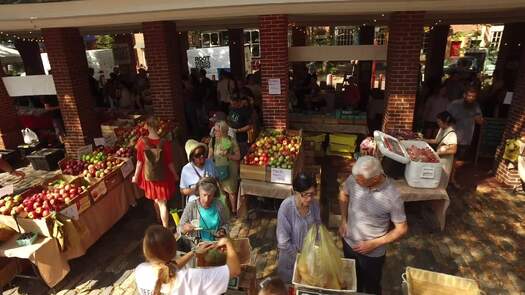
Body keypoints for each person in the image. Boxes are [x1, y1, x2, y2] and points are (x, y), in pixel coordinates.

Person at [339, 156, 408, 295]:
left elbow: (402, 229)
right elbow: (343, 194)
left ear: (375, 178)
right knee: (351, 281)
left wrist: (374, 243)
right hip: (349, 243)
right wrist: (343, 220)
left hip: (372, 254)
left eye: (360, 181)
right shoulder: (355, 178)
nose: (355, 182)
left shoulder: (392, 196)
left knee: (371, 286)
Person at [135, 225, 241, 295]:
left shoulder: (140, 271)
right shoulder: (190, 278)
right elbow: (235, 270)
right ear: (174, 249)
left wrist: (194, 251)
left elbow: (170, 268)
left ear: (146, 252)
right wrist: (227, 243)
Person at [132, 117, 180, 228]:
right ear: (158, 126)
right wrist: (175, 175)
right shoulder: (165, 143)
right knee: (163, 203)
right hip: (164, 176)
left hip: (150, 176)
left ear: (147, 126)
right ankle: (165, 227)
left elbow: (139, 162)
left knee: (156, 199)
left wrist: (135, 176)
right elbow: (169, 163)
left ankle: (160, 220)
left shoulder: (141, 142)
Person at [276, 173, 321, 283]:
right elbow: (283, 242)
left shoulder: (314, 205)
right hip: (289, 261)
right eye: (306, 194)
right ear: (295, 192)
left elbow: (318, 227)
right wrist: (299, 257)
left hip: (309, 258)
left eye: (313, 194)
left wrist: (318, 249)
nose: (310, 198)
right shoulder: (286, 207)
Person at [179, 177, 230, 242]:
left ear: (214, 194)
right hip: (197, 245)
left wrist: (223, 230)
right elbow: (179, 228)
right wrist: (185, 228)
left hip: (216, 244)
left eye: (210, 195)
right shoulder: (191, 206)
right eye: (204, 195)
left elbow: (227, 223)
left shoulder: (219, 205)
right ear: (198, 193)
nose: (206, 199)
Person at [208, 121, 240, 215]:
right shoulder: (213, 141)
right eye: (214, 130)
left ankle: (234, 211)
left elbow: (238, 156)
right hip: (217, 169)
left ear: (223, 131)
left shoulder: (230, 140)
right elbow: (210, 156)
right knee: (221, 191)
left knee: (231, 191)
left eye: (217, 131)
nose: (215, 133)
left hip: (230, 169)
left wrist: (228, 155)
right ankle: (224, 211)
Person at [446, 85, 484, 163]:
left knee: (459, 161)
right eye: (469, 96)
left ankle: (454, 174)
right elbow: (445, 118)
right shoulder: (454, 104)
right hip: (453, 137)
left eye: (473, 96)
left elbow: (480, 121)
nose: (471, 98)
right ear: (464, 95)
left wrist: (479, 120)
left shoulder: (476, 106)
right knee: (448, 159)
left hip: (466, 139)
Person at [424, 111, 458, 188]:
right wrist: (423, 140)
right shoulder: (442, 129)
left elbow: (454, 150)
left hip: (445, 162)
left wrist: (438, 153)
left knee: (442, 181)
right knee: (437, 180)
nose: (437, 123)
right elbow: (436, 141)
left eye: (439, 121)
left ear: (445, 122)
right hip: (439, 159)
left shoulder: (452, 134)